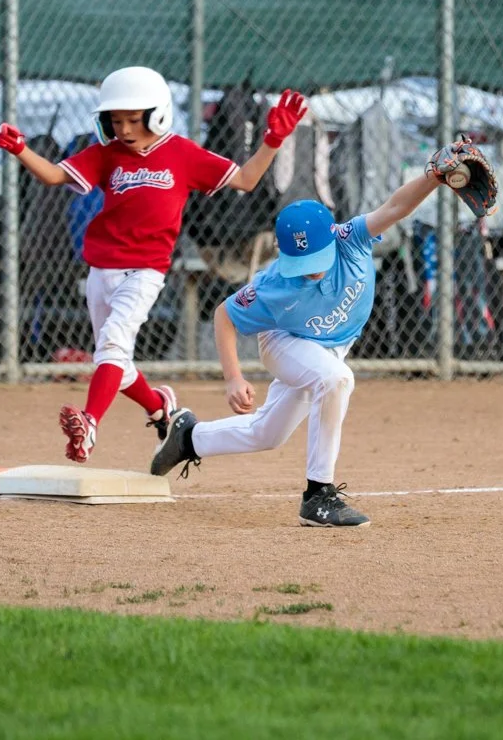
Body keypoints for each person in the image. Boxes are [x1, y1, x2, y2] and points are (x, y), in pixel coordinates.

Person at [0, 67, 306, 462]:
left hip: (146, 271)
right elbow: (55, 175)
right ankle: (160, 407)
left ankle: (89, 424)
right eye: (116, 120)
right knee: (115, 360)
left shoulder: (182, 152)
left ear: (157, 113)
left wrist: (273, 140)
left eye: (133, 119)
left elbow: (244, 179)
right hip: (101, 270)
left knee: (112, 346)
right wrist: (21, 149)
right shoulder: (106, 154)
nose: (123, 128)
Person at [150, 164, 462, 528]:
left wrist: (434, 177)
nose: (311, 270)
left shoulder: (351, 239)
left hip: (328, 348)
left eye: (317, 259)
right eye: (302, 262)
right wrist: (233, 377)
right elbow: (225, 315)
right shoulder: (276, 282)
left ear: (333, 237)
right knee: (336, 380)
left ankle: (189, 436)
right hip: (284, 343)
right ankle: (319, 496)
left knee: (267, 433)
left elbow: (396, 208)